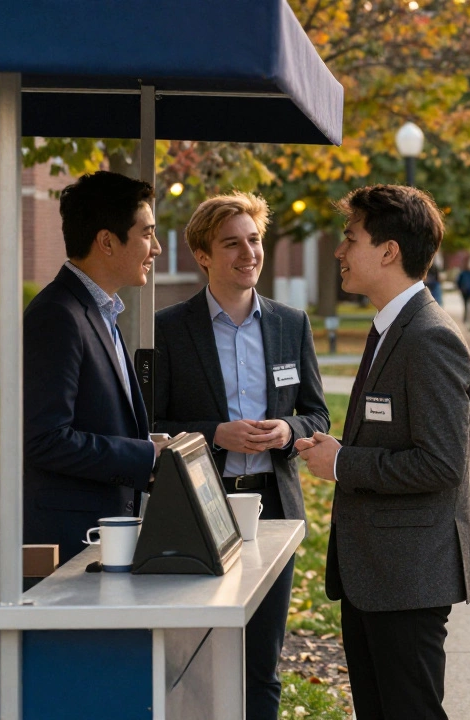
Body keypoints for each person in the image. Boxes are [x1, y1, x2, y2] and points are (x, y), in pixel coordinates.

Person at [295, 184, 470, 719]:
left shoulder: (427, 337)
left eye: (350, 238)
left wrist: (342, 463)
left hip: (407, 579)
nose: (339, 251)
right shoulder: (391, 328)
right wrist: (343, 451)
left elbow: (441, 463)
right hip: (376, 575)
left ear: (388, 251)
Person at [152, 191, 330, 720]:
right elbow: (150, 426)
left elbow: (317, 415)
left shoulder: (289, 324)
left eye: (253, 240)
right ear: (203, 255)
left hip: (273, 510)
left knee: (262, 664)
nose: (248, 253)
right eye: (232, 243)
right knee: (194, 659)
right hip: (198, 508)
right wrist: (214, 434)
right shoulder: (168, 329)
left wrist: (286, 429)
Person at [23, 170, 164, 566]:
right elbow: (44, 439)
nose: (155, 248)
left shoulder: (100, 312)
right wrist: (146, 457)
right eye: (147, 233)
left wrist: (150, 444)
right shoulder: (57, 315)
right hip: (62, 548)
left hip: (98, 538)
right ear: (106, 241)